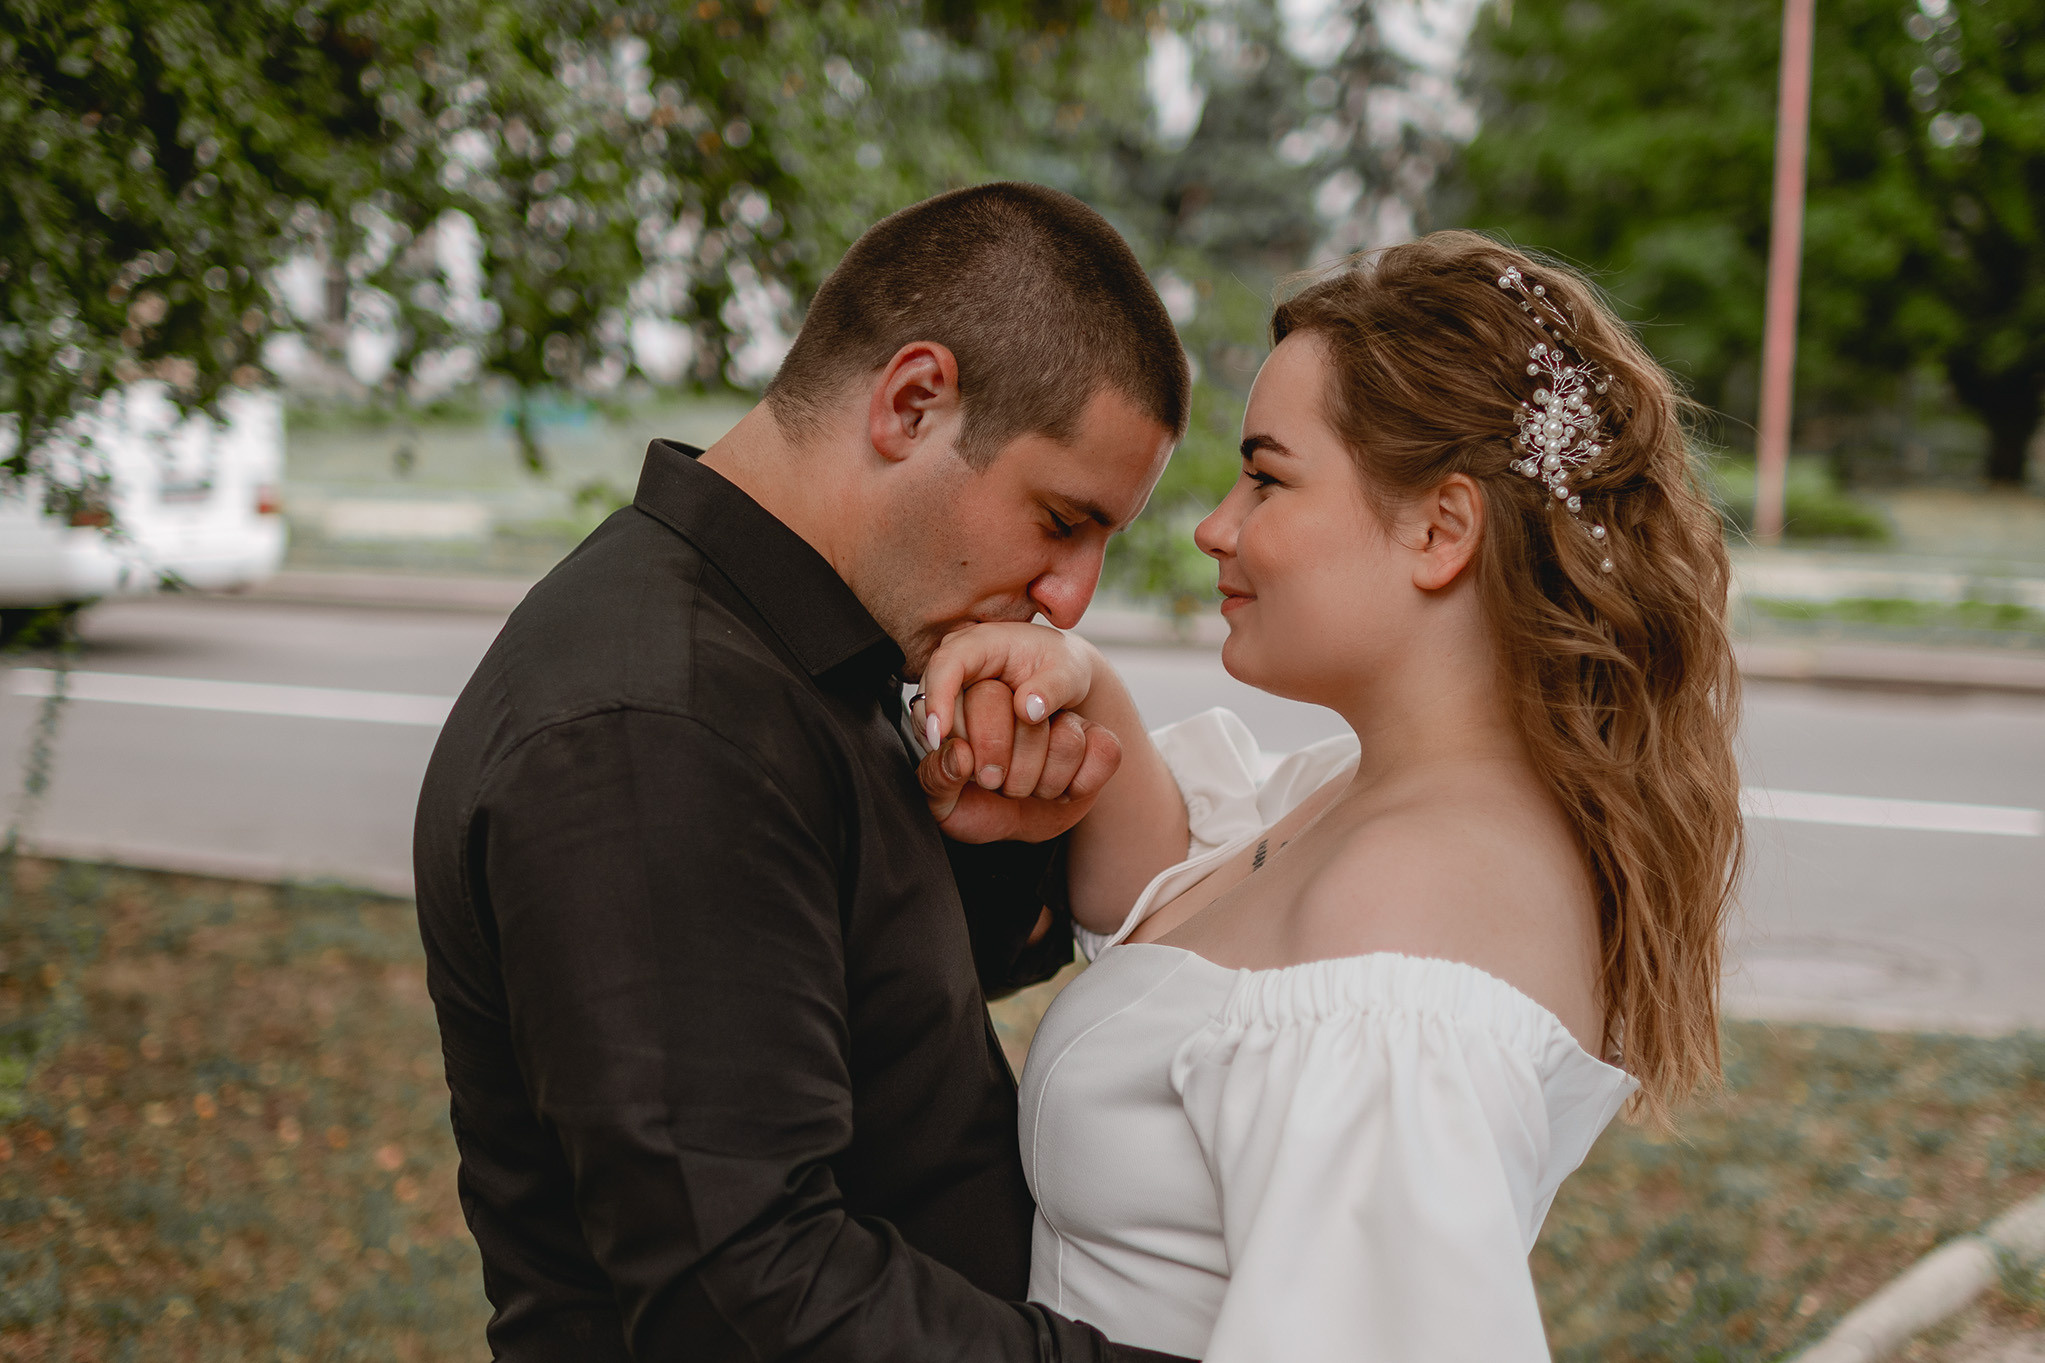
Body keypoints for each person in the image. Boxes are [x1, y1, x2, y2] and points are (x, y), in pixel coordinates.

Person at [917, 231, 1745, 1361]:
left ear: (1439, 530)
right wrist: (1079, 681)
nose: (1217, 526)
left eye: (1265, 475)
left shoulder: (1409, 928)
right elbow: (1175, 915)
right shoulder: (1364, 804)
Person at [411, 183, 1199, 1360]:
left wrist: (1006, 829)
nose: (1071, 596)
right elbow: (739, 1295)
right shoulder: (654, 728)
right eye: (1058, 518)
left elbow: (862, 1013)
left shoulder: (808, 652)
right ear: (913, 401)